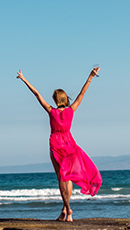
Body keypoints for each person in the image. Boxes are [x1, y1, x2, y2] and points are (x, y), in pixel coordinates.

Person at [16, 67, 102, 222]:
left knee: (61, 178)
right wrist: (90, 76)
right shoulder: (71, 110)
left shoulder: (51, 111)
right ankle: (65, 210)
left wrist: (24, 79)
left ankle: (68, 209)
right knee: (67, 178)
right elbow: (82, 94)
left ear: (55, 100)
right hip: (69, 145)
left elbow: (36, 94)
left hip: (56, 145)